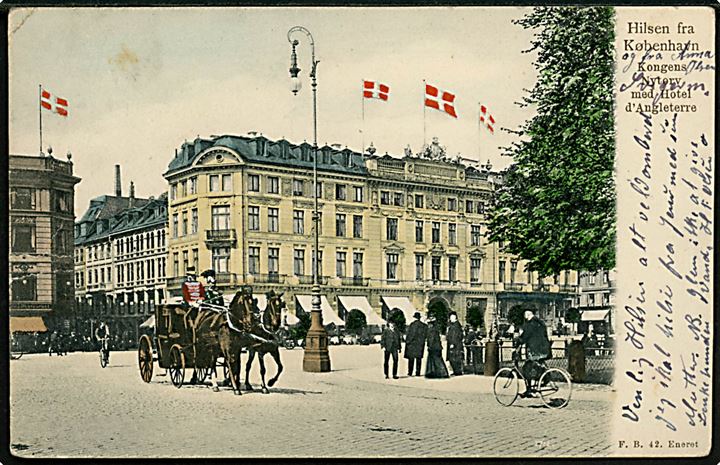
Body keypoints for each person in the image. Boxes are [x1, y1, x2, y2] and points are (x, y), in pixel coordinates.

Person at [514, 309, 551, 397]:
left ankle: (530, 390)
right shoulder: (540, 322)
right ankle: (544, 380)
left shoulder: (530, 324)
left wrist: (517, 342)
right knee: (538, 366)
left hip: (535, 350)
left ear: (527, 314)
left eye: (525, 315)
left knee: (526, 368)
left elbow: (525, 337)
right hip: (545, 349)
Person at [404, 311, 427, 376]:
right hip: (420, 345)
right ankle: (418, 372)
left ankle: (410, 372)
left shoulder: (412, 325)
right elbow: (425, 335)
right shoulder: (424, 326)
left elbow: (411, 335)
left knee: (411, 359)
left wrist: (408, 341)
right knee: (418, 359)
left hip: (412, 345)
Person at [446, 311, 464, 376]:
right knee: (453, 358)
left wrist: (452, 343)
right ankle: (456, 371)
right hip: (453, 344)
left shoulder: (456, 326)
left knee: (454, 358)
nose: (450, 319)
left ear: (454, 318)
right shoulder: (453, 325)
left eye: (451, 318)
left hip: (455, 345)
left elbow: (455, 335)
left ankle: (457, 372)